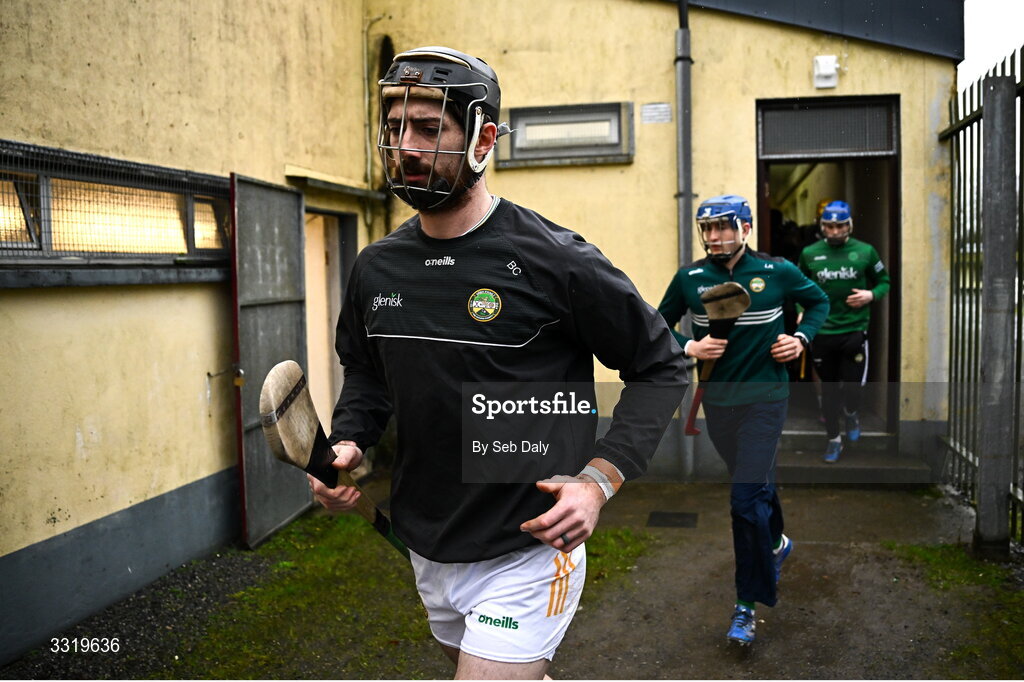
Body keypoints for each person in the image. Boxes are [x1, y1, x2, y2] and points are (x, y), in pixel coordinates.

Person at [309, 46, 688, 679]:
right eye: (396, 127)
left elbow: (661, 365)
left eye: (430, 129)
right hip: (426, 543)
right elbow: (368, 374)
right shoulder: (375, 268)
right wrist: (350, 442)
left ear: (484, 139)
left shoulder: (555, 261)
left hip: (529, 548)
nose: (406, 145)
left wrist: (599, 481)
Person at [657, 195, 828, 647]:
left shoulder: (777, 273)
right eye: (707, 229)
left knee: (743, 501)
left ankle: (746, 605)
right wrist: (689, 348)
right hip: (719, 403)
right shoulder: (690, 279)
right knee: (756, 488)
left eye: (724, 227)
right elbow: (655, 325)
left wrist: (801, 339)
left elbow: (819, 303)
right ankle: (776, 544)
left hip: (767, 399)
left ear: (747, 228)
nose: (715, 237)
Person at [798, 200, 890, 463]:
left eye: (839, 226)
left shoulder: (866, 251)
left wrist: (871, 294)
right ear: (822, 226)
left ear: (849, 225)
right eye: (829, 226)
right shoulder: (809, 253)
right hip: (823, 332)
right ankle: (833, 440)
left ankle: (851, 414)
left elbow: (884, 282)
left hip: (854, 329)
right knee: (829, 391)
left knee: (852, 388)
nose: (834, 231)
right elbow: (798, 285)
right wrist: (802, 308)